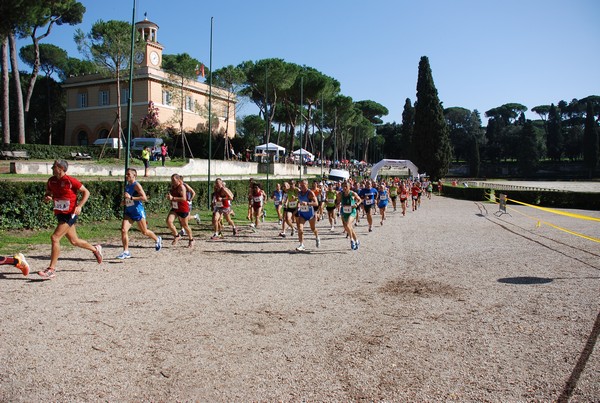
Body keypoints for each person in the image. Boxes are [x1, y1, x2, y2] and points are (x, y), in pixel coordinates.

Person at [39, 160, 102, 279]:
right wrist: (47, 197)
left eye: (55, 166)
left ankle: (51, 269)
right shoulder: (51, 180)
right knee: (74, 241)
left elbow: (86, 192)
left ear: (61, 168)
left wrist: (79, 206)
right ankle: (95, 249)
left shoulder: (70, 180)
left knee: (55, 237)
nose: (52, 168)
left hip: (70, 214)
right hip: (60, 213)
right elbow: (48, 193)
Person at [116, 168, 162, 259]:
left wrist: (131, 198)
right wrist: (124, 202)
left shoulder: (136, 185)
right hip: (129, 212)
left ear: (134, 175)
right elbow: (128, 198)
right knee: (124, 230)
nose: (127, 176)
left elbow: (144, 198)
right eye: (126, 174)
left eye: (128, 174)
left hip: (138, 211)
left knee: (144, 232)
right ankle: (126, 252)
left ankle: (157, 239)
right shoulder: (127, 186)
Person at [166, 174, 194, 248]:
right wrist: (170, 199)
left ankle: (191, 239)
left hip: (183, 208)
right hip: (175, 208)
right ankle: (177, 235)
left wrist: (173, 198)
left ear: (178, 180)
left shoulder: (182, 187)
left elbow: (184, 198)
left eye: (173, 180)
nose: (172, 181)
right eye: (171, 180)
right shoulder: (172, 187)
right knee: (168, 221)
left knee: (185, 225)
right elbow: (172, 197)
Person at [294, 179, 320, 252]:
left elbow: (316, 203)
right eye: (301, 185)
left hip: (310, 214)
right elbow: (299, 200)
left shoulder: (310, 193)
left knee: (313, 229)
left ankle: (317, 237)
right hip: (302, 214)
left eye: (303, 185)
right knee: (300, 229)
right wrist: (297, 204)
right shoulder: (299, 193)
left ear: (307, 185)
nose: (301, 186)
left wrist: (308, 203)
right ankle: (301, 244)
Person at [336, 181, 362, 250]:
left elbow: (360, 200)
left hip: (352, 212)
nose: (344, 188)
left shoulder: (353, 193)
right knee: (349, 228)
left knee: (348, 225)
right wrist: (337, 203)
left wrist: (356, 204)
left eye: (346, 186)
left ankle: (351, 240)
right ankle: (357, 241)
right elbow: (337, 202)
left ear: (349, 187)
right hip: (345, 212)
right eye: (343, 186)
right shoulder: (340, 194)